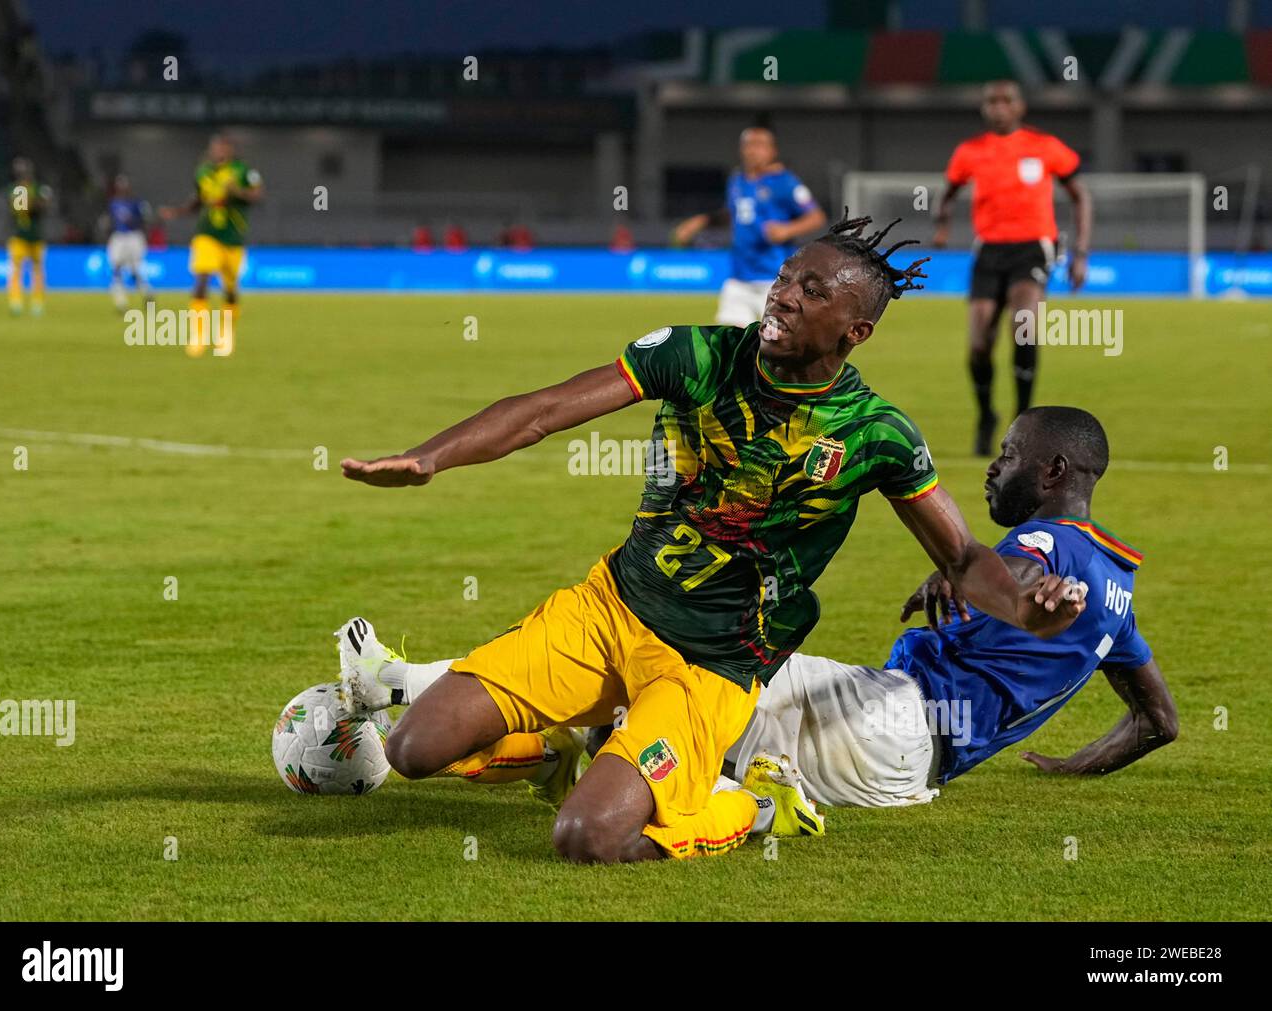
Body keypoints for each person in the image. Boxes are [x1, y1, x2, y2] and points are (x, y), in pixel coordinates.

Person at [337, 213, 1086, 864]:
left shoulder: (875, 434)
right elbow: (546, 409)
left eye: (813, 291)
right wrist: (431, 456)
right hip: (609, 609)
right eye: (789, 277)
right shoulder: (698, 356)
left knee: (587, 837)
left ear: (855, 331)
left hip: (713, 663)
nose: (785, 293)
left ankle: (757, 806)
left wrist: (1025, 608)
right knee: (413, 749)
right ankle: (566, 749)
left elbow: (959, 556)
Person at [330, 408, 1165, 819]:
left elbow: (1026, 573)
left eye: (1010, 456)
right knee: (634, 726)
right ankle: (747, 791)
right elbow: (1157, 720)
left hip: (888, 718)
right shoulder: (1120, 585)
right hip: (911, 771)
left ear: (1055, 471)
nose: (993, 468)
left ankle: (398, 679)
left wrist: (979, 581)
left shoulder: (1053, 549)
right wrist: (1068, 766)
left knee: (669, 658)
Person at [932, 80, 1092, 456]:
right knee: (978, 346)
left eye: (1007, 100)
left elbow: (1081, 195)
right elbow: (949, 191)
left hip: (1032, 248)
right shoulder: (970, 152)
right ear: (984, 108)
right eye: (991, 101)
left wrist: (1081, 252)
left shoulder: (1045, 146)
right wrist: (941, 223)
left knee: (1024, 325)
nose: (999, 107)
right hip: (988, 250)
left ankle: (1023, 419)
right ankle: (986, 414)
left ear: (1021, 107)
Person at [673, 126, 826, 327]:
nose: (753, 150)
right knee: (730, 344)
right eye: (748, 145)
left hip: (774, 280)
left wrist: (787, 230)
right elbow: (734, 214)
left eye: (760, 145)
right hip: (739, 279)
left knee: (776, 343)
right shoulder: (737, 181)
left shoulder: (784, 182)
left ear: (772, 151)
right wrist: (701, 221)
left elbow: (816, 217)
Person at [159, 133, 263, 357]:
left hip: (233, 237)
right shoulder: (203, 171)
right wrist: (177, 211)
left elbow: (257, 196)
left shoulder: (244, 171)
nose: (219, 151)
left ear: (230, 149)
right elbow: (198, 200)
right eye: (215, 147)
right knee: (201, 280)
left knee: (230, 290)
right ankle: (198, 336)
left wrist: (238, 192)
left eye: (223, 148)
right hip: (207, 234)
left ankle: (226, 335)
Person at [6, 157, 51, 316]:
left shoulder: (35, 188)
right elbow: (21, 209)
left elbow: (44, 208)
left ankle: (37, 303)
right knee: (17, 270)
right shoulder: (16, 189)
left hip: (36, 236)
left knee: (37, 271)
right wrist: (36, 200)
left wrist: (37, 200)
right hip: (19, 236)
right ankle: (16, 302)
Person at [102, 174, 153, 310]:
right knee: (116, 268)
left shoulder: (136, 203)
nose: (122, 189)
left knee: (135, 270)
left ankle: (147, 293)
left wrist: (140, 229)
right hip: (119, 237)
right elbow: (109, 221)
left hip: (134, 237)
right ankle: (121, 302)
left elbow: (146, 220)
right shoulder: (113, 203)